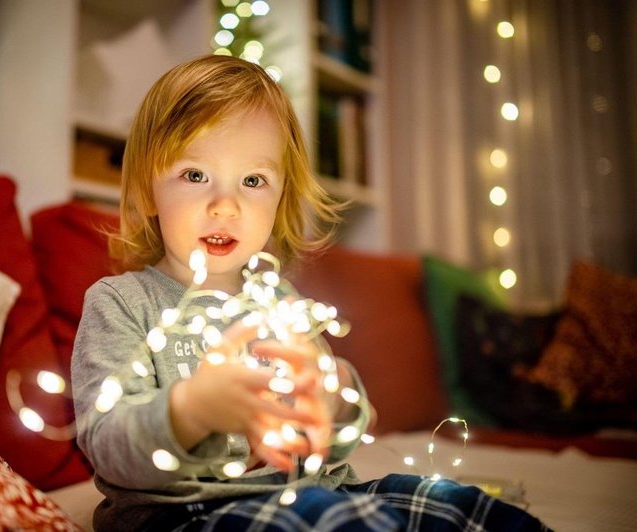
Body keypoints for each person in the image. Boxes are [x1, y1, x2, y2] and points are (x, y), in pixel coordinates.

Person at [71, 55, 548, 532]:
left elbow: (339, 437)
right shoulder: (121, 302)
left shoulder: (278, 299)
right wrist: (190, 410)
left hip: (316, 491)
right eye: (195, 175)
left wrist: (334, 397)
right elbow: (108, 446)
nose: (225, 206)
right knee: (332, 519)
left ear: (279, 199)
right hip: (187, 515)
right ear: (148, 191)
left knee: (448, 501)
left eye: (253, 181)